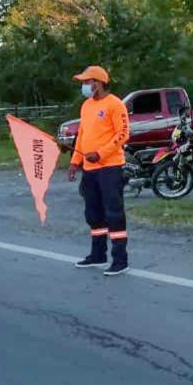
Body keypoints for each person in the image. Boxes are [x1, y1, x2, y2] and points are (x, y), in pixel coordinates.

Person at [68, 66, 131, 276]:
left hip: (110, 167)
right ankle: (98, 254)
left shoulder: (115, 104)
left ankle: (120, 259)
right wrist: (74, 162)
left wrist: (101, 153)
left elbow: (123, 134)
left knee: (113, 213)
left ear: (99, 82)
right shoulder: (86, 106)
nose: (84, 86)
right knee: (93, 213)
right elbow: (82, 136)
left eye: (87, 82)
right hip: (89, 169)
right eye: (83, 83)